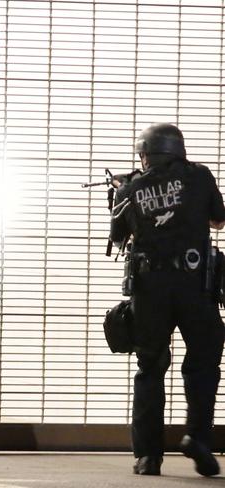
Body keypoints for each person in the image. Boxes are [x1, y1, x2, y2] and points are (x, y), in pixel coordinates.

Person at [110, 122, 225, 477]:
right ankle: (197, 438)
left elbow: (117, 240)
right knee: (204, 360)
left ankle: (148, 457)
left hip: (150, 289)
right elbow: (218, 222)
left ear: (149, 153)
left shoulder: (130, 188)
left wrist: (122, 194)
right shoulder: (201, 176)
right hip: (195, 285)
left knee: (150, 367)